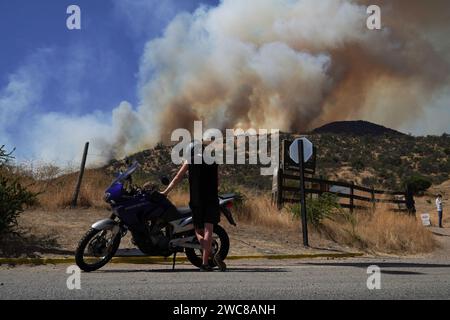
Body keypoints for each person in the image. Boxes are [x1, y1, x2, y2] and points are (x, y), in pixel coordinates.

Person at [161, 141, 226, 272]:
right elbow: (218, 181)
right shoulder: (213, 161)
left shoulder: (190, 161)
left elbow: (177, 178)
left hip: (197, 201)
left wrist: (165, 192)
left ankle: (211, 256)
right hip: (212, 199)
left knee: (198, 231)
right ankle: (205, 263)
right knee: (209, 230)